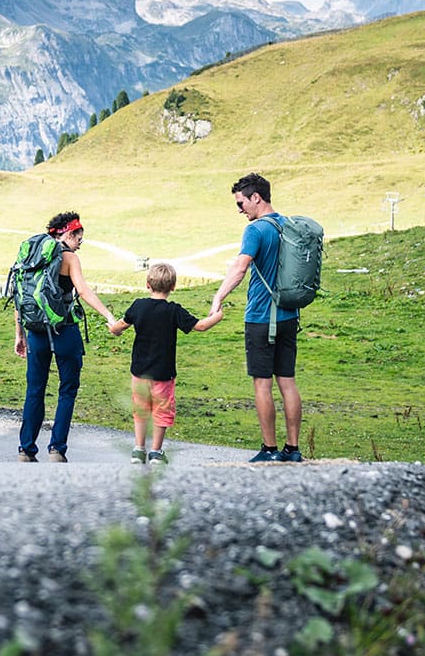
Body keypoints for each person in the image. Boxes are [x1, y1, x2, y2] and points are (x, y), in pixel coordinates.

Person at [211, 172, 304, 463]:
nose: (240, 210)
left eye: (241, 203)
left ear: (256, 197)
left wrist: (219, 297)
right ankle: (293, 449)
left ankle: (269, 449)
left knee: (262, 384)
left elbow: (240, 268)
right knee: (287, 382)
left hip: (262, 317)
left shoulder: (255, 231)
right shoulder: (287, 225)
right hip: (289, 315)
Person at [15, 212, 119, 462]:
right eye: (79, 238)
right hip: (64, 330)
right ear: (69, 234)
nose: (80, 243)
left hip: (36, 331)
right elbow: (82, 290)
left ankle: (26, 450)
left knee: (35, 390)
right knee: (67, 389)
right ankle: (57, 449)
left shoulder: (32, 253)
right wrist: (109, 316)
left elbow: (21, 295)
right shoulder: (69, 257)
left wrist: (19, 334)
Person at [109, 262, 223, 465]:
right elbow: (201, 326)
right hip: (164, 373)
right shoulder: (174, 311)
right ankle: (156, 452)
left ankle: (138, 449)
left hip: (140, 372)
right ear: (173, 287)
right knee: (162, 411)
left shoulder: (138, 306)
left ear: (147, 284)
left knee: (141, 409)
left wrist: (113, 328)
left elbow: (119, 327)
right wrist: (217, 316)